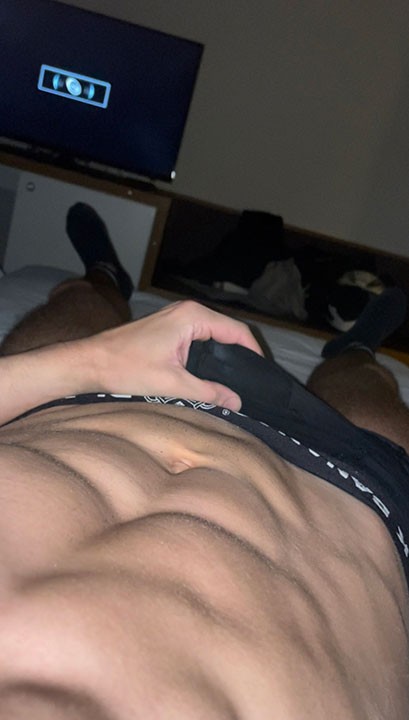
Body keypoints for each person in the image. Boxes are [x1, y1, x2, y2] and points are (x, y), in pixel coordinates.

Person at [0, 203, 408, 719]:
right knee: (367, 402)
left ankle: (102, 278)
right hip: (345, 490)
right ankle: (357, 349)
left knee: (70, 321)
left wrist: (93, 360)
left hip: (82, 403)